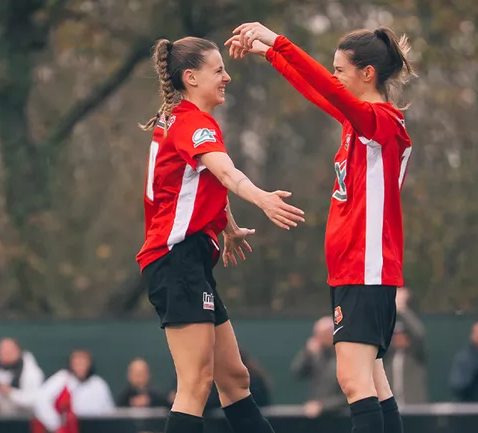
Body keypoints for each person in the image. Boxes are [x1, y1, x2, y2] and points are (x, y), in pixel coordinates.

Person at [228, 22, 414, 433]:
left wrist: (278, 40)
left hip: (366, 269)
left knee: (353, 381)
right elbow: (318, 91)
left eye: (341, 69)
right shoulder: (359, 123)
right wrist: (271, 55)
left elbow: (326, 90)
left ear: (368, 73)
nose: (334, 77)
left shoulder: (381, 122)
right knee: (375, 384)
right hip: (354, 268)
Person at [137, 37, 305, 433]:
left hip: (189, 260)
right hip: (175, 261)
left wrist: (226, 225)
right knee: (195, 386)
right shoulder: (192, 124)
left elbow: (199, 182)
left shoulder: (179, 118)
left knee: (235, 380)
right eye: (218, 71)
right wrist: (263, 198)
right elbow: (226, 173)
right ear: (190, 77)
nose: (227, 77)